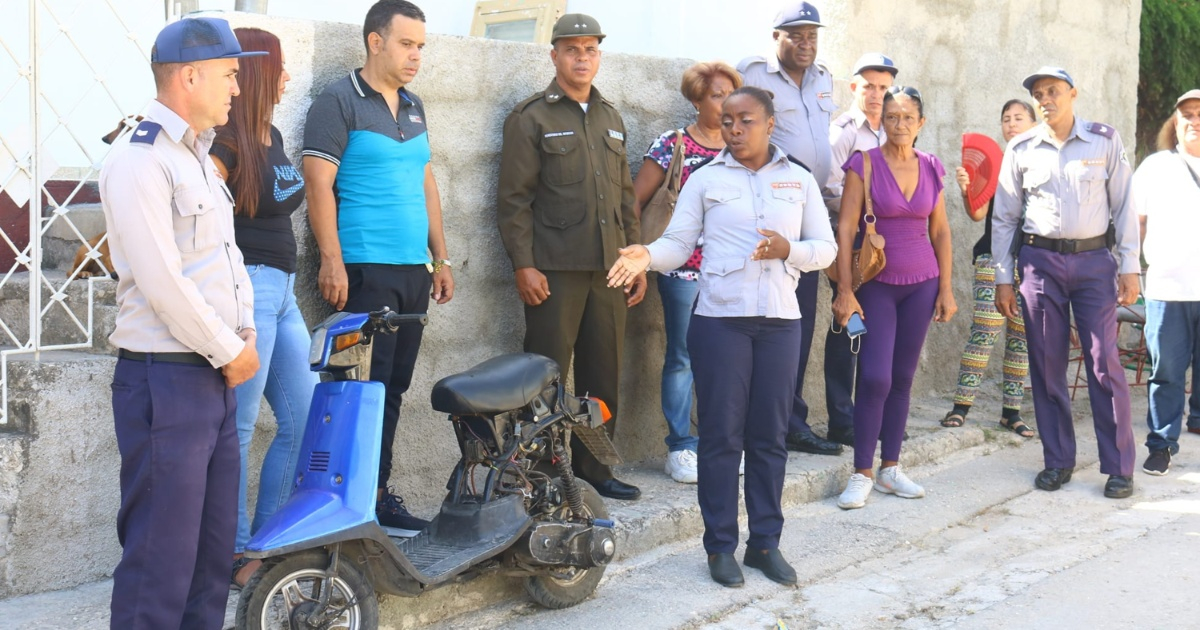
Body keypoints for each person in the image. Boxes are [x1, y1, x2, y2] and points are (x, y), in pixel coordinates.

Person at [607, 86, 836, 587]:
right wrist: (647, 254)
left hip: (779, 323)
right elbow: (677, 243)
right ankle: (720, 549)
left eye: (745, 120)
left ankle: (765, 545)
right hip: (719, 322)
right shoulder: (704, 180)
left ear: (770, 124)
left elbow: (826, 249)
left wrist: (786, 249)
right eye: (727, 121)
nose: (734, 129)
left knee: (770, 437)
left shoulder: (798, 181)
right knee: (720, 437)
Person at [99, 16, 261, 628]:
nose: (236, 89)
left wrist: (243, 331)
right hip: (166, 380)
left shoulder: (195, 154)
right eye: (228, 75)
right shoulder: (140, 159)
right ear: (189, 75)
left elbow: (226, 258)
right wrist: (229, 347)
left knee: (210, 555)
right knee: (160, 561)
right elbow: (164, 281)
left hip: (212, 375)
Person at [302, 0, 454, 533]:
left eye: (421, 47)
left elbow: (426, 183)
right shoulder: (337, 100)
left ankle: (377, 493)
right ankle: (348, 501)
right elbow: (317, 184)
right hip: (365, 268)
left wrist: (441, 257)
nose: (416, 57)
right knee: (358, 390)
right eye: (407, 44)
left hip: (414, 271)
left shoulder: (414, 105)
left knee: (393, 388)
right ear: (375, 42)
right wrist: (332, 261)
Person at [497, 13, 644, 501]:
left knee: (603, 373)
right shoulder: (532, 117)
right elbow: (514, 199)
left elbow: (626, 198)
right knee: (545, 374)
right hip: (554, 271)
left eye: (591, 49)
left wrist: (636, 258)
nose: (583, 58)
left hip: (610, 270)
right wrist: (523, 263)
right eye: (573, 49)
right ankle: (538, 475)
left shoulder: (611, 116)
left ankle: (596, 471)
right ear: (555, 54)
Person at [992, 66, 1139, 499]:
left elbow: (1125, 206)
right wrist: (1004, 277)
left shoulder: (1104, 140)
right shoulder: (1021, 148)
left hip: (1094, 262)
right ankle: (1058, 460)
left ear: (1073, 93)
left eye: (1053, 91)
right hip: (1039, 264)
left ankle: (1118, 467)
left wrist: (1129, 265)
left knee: (1103, 362)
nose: (1045, 99)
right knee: (1046, 362)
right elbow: (1003, 217)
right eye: (1038, 94)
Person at [209, 27, 319, 587]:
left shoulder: (268, 133)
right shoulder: (224, 140)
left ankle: (265, 545)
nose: (287, 77)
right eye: (280, 67)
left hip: (284, 291)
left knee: (305, 417)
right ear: (258, 72)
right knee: (241, 425)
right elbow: (201, 219)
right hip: (248, 289)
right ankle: (230, 552)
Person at [834, 86, 956, 510]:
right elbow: (846, 228)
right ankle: (861, 472)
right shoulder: (863, 164)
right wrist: (845, 290)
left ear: (920, 123)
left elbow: (940, 230)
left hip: (923, 283)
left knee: (903, 379)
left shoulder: (931, 166)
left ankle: (890, 468)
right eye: (892, 117)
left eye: (908, 117)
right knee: (874, 378)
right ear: (881, 121)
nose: (900, 124)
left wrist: (945, 288)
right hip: (877, 285)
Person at [739, 1, 844, 456]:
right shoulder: (754, 73)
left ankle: (790, 423)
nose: (806, 43)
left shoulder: (824, 79)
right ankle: (754, 425)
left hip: (813, 211)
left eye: (812, 35)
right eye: (796, 35)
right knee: (761, 320)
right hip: (772, 211)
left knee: (797, 323)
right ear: (777, 37)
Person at [632, 61, 741, 484]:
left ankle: (720, 443)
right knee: (682, 356)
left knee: (728, 361)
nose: (725, 104)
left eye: (730, 95)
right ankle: (681, 447)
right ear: (697, 100)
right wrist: (638, 257)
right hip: (684, 273)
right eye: (717, 95)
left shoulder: (742, 147)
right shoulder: (674, 144)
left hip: (733, 272)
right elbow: (636, 199)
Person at [942, 100, 1037, 437]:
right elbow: (978, 215)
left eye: (1019, 118)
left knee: (1022, 340)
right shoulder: (995, 164)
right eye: (1006, 119)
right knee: (984, 332)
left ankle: (1011, 413)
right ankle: (960, 407)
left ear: (1034, 123)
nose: (1011, 124)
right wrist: (967, 189)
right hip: (993, 257)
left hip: (1034, 262)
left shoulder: (1046, 163)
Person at [821, 52, 899, 446]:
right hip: (850, 243)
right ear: (854, 87)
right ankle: (841, 418)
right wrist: (867, 208)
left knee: (879, 327)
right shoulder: (843, 131)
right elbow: (829, 188)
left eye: (883, 88)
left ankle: (871, 413)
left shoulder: (893, 130)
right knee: (847, 324)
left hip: (886, 244)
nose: (876, 94)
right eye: (870, 86)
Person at [1133, 89, 1200, 475]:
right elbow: (1135, 225)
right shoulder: (1155, 167)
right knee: (1167, 373)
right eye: (1186, 114)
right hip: (1167, 290)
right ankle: (1161, 444)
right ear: (1175, 123)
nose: (1194, 121)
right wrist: (1127, 270)